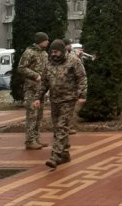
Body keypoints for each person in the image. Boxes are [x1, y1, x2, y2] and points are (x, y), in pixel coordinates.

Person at [34, 39, 87, 169]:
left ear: (62, 51)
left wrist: (82, 95)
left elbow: (82, 78)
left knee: (62, 126)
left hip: (68, 99)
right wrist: (37, 98)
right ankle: (64, 153)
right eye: (52, 52)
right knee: (57, 127)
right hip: (54, 100)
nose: (54, 54)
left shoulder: (73, 61)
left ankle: (56, 155)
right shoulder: (49, 63)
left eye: (56, 52)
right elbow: (44, 82)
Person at [18, 32, 49, 150]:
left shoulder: (44, 54)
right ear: (40, 41)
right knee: (32, 115)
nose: (47, 42)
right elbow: (21, 68)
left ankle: (36, 138)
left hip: (41, 90)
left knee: (39, 116)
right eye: (46, 40)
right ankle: (29, 141)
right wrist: (35, 75)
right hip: (31, 89)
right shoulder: (29, 52)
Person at [63, 38, 83, 135]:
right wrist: (76, 55)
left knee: (70, 109)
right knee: (65, 109)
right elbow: (69, 63)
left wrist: (79, 57)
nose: (71, 46)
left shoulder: (71, 55)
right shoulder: (65, 56)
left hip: (71, 87)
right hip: (65, 87)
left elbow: (78, 68)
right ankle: (65, 127)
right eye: (69, 45)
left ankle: (68, 126)